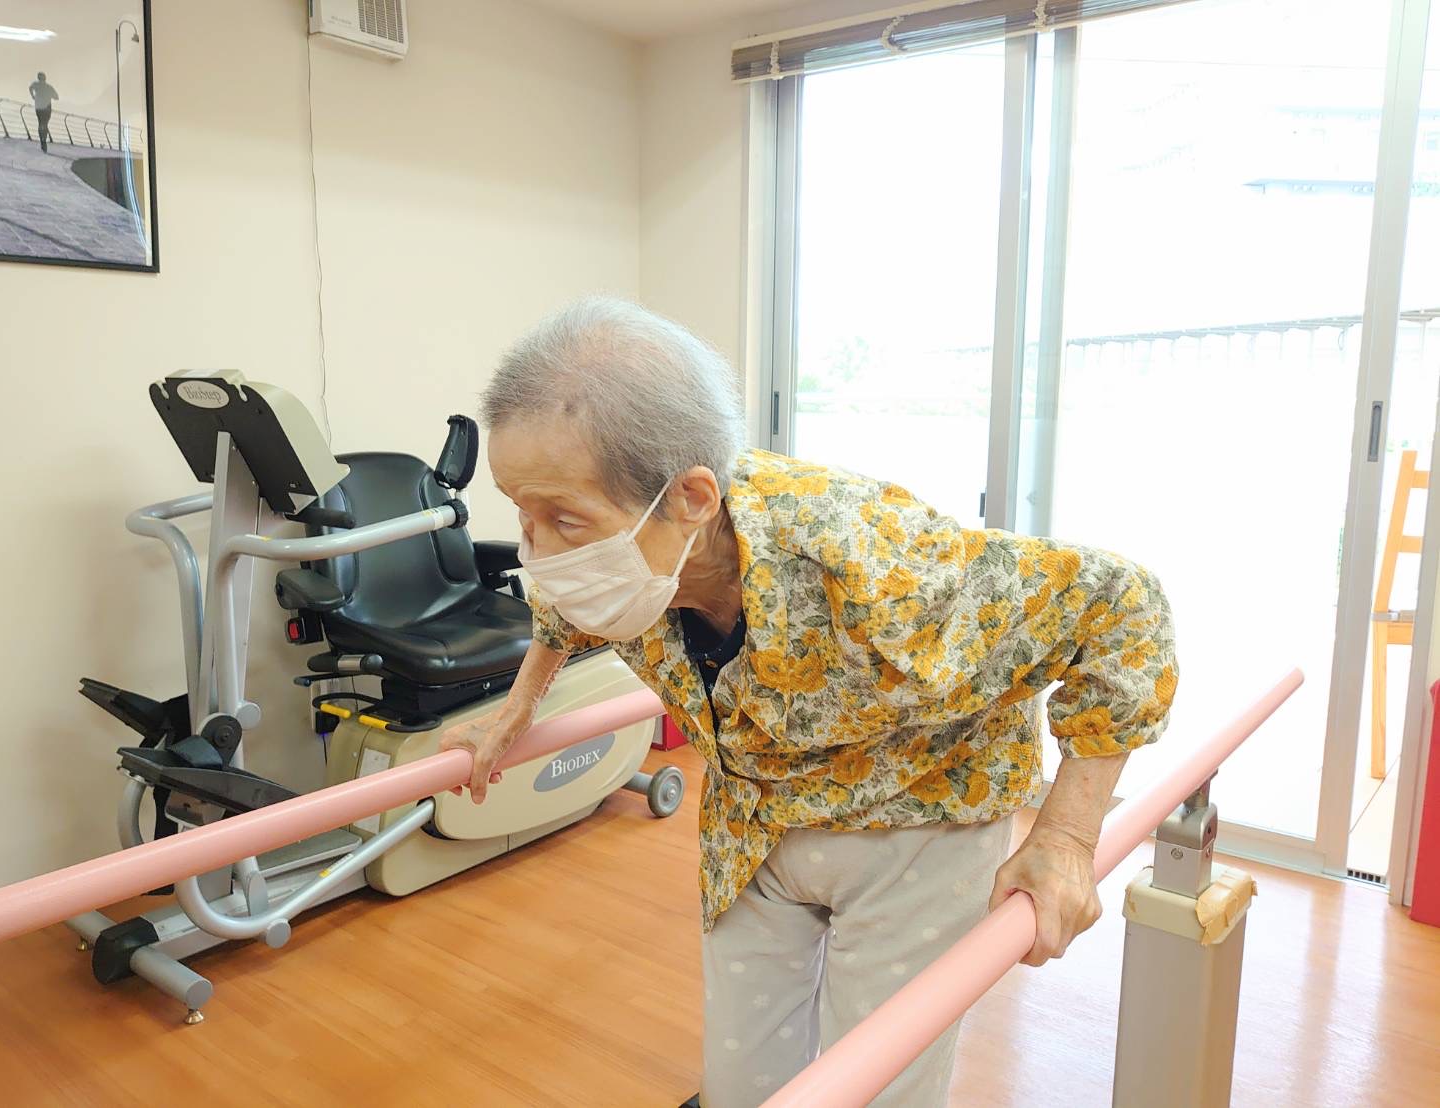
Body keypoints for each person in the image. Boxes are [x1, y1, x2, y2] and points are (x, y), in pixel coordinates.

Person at [441, 298, 1178, 1107]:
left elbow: (1119, 604)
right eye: (523, 513)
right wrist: (518, 706)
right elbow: (564, 599)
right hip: (752, 821)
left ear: (691, 499)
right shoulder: (625, 549)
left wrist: (1065, 837)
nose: (538, 550)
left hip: (917, 817)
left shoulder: (874, 563)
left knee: (880, 1080)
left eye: (563, 520)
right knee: (743, 1082)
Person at [28, 72, 58, 153]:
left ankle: (42, 140)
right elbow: (56, 97)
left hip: (38, 108)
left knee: (40, 123)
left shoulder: (35, 84)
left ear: (38, 78)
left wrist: (33, 96)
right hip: (47, 108)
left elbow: (30, 88)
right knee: (45, 123)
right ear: (45, 78)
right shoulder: (49, 87)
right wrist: (50, 95)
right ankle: (44, 138)